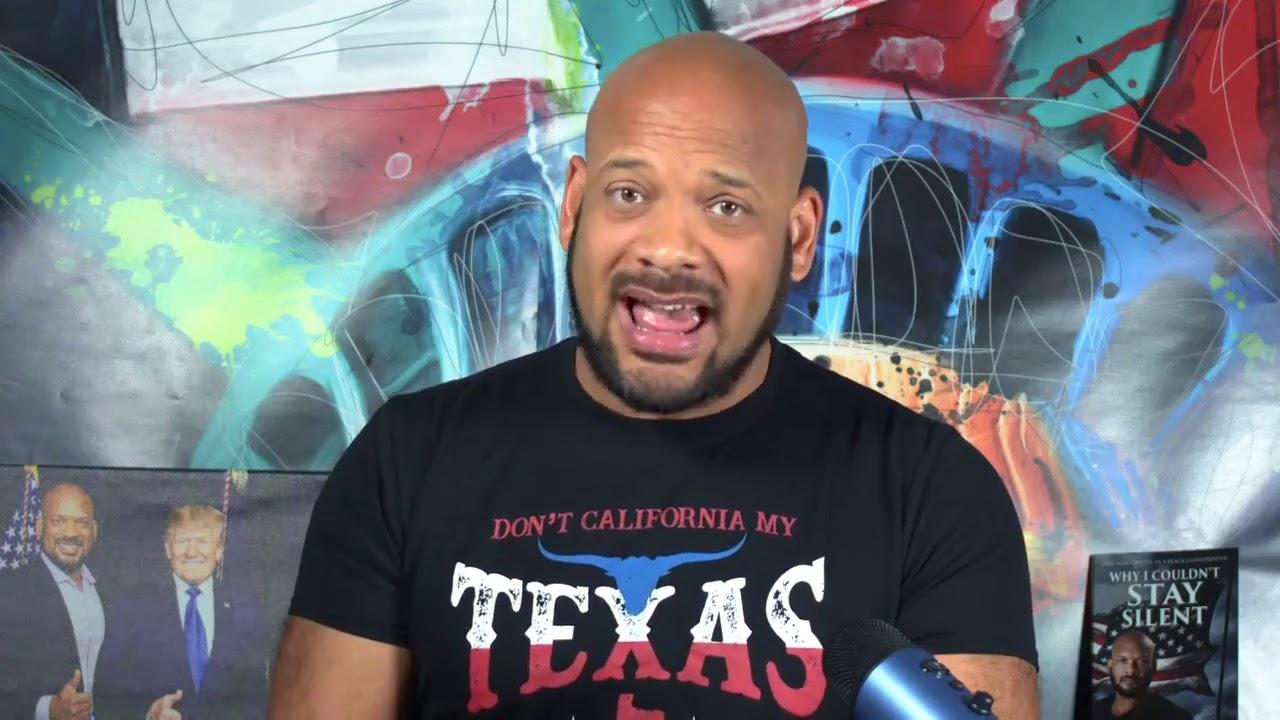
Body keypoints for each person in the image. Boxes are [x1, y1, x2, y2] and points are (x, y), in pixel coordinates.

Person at [268, 31, 1039, 719]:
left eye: (727, 206)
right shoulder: (407, 460)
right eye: (630, 194)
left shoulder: (933, 491)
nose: (669, 249)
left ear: (799, 235)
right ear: (575, 206)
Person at [96, 505, 268, 720]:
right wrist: (147, 715)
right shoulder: (131, 609)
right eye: (183, 541)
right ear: (168, 549)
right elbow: (105, 695)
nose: (191, 552)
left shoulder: (246, 609)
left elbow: (257, 698)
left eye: (202, 541)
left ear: (219, 550)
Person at [0, 483, 104, 720]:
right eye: (58, 521)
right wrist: (47, 709)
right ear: (40, 527)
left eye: (82, 522)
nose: (70, 533)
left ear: (94, 530)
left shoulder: (110, 590)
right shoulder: (8, 591)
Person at [1092, 629, 1192, 720]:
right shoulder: (1093, 711)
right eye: (1122, 660)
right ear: (1110, 666)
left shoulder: (1176, 717)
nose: (1131, 670)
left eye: (1142, 661)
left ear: (1153, 667)